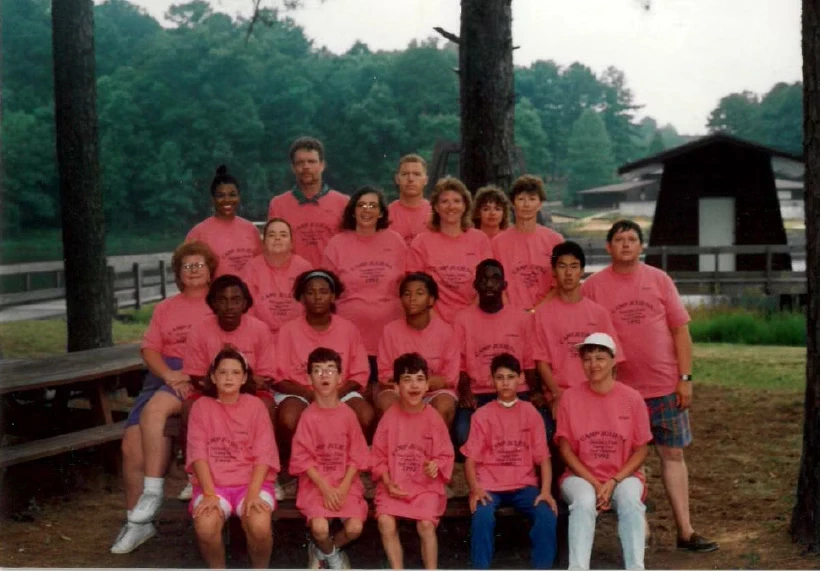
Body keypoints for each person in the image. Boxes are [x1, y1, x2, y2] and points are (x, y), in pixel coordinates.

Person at [581, 220, 718, 553]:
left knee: (672, 454)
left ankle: (685, 531)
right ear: (608, 247)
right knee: (628, 462)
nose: (626, 244)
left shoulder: (659, 280)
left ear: (641, 246)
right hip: (619, 392)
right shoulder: (594, 286)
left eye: (632, 239)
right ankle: (636, 530)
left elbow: (680, 332)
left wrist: (685, 379)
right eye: (619, 239)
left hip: (665, 387)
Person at [111, 241, 217, 555]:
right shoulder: (166, 308)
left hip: (202, 375)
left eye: (199, 265)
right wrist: (170, 376)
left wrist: (190, 376)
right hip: (164, 373)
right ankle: (137, 522)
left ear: (210, 270)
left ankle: (156, 491)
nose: (194, 270)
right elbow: (149, 349)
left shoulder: (219, 302)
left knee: (161, 414)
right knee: (131, 446)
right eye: (187, 266)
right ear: (178, 273)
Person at [554, 333, 652, 570]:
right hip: (580, 476)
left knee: (630, 499)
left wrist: (614, 480)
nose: (593, 365)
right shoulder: (570, 397)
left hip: (623, 475)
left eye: (600, 358)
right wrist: (595, 483)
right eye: (587, 359)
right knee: (584, 501)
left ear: (613, 361)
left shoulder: (632, 398)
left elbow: (641, 450)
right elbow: (566, 450)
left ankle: (635, 566)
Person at [462, 353, 558, 570]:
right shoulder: (482, 415)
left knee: (546, 513)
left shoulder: (531, 413)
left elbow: (543, 458)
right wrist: (476, 489)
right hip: (490, 486)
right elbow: (470, 460)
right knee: (482, 515)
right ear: (492, 380)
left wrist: (545, 491)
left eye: (511, 376)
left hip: (524, 485)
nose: (505, 382)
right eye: (500, 377)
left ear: (520, 379)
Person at [186, 347, 279, 569]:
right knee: (206, 526)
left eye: (236, 373)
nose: (229, 378)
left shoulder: (255, 406)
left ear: (245, 377)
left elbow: (264, 454)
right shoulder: (201, 407)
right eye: (223, 372)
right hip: (214, 485)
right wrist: (209, 494)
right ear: (213, 376)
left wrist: (253, 495)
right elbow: (198, 454)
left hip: (251, 484)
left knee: (259, 524)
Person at [274, 270, 374, 468]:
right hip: (300, 391)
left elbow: (360, 373)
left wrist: (334, 394)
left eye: (323, 291)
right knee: (289, 418)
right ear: (302, 298)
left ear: (333, 295)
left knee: (365, 415)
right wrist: (309, 393)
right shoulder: (288, 331)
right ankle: (297, 467)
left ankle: (348, 464)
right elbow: (278, 377)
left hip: (341, 390)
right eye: (311, 292)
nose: (317, 297)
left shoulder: (348, 329)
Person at [372, 353, 455, 570]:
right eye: (407, 380)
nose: (414, 385)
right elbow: (377, 457)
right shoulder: (389, 417)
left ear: (427, 385)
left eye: (419, 379)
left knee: (426, 525)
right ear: (397, 387)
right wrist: (388, 482)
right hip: (394, 484)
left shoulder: (434, 418)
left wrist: (436, 465)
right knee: (385, 522)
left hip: (425, 487)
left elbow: (445, 455)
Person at [290, 347, 370, 570]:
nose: (324, 375)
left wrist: (343, 487)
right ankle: (334, 557)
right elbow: (303, 459)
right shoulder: (307, 417)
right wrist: (325, 488)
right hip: (317, 484)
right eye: (318, 370)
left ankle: (321, 551)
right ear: (309, 379)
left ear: (340, 377)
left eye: (330, 370)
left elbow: (358, 456)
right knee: (320, 529)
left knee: (354, 528)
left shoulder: (348, 415)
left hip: (346, 483)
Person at [452, 259, 546, 449]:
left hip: (517, 392)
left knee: (545, 428)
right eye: (484, 279)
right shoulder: (462, 319)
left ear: (504, 285)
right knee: (463, 434)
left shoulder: (522, 318)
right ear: (475, 285)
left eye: (495, 279)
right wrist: (465, 393)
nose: (489, 284)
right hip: (480, 394)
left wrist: (535, 392)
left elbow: (528, 362)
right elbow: (459, 364)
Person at [322, 186, 407, 383]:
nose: (366, 210)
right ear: (352, 210)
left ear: (381, 212)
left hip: (389, 338)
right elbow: (327, 290)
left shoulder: (395, 242)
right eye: (361, 205)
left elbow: (407, 284)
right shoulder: (337, 244)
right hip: (348, 339)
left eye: (372, 205)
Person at [534, 241, 623, 412]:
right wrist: (556, 394)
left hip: (595, 395)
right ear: (553, 271)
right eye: (562, 266)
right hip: (559, 397)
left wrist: (605, 395)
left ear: (582, 271)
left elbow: (613, 359)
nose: (568, 273)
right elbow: (541, 362)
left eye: (574, 266)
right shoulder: (542, 314)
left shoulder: (598, 313)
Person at [376, 272, 459, 428]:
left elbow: (450, 377)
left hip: (434, 392)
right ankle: (397, 449)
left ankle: (432, 450)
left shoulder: (446, 332)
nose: (412, 298)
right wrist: (409, 387)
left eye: (419, 293)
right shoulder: (390, 331)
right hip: (399, 391)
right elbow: (384, 375)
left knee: (444, 405)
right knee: (386, 402)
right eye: (407, 294)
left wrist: (420, 385)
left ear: (431, 300)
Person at [408, 176, 492, 324]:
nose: (451, 206)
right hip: (433, 324)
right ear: (435, 207)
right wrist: (438, 325)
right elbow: (415, 290)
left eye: (457, 201)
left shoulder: (480, 240)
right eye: (444, 201)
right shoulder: (421, 243)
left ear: (465, 205)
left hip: (474, 321)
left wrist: (468, 319)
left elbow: (487, 284)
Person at [268, 136, 348, 267]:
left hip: (331, 281)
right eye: (300, 162)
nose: (306, 167)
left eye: (311, 161)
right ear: (293, 167)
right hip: (292, 281)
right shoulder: (278, 204)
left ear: (322, 165)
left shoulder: (343, 202)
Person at [491, 174, 563, 312]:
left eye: (532, 199)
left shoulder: (555, 241)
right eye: (521, 199)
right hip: (509, 315)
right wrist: (511, 312)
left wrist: (535, 311)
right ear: (512, 203)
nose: (526, 204)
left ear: (540, 203)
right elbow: (495, 284)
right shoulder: (497, 243)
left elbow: (558, 284)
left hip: (547, 314)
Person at [186, 165, 262, 277]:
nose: (227, 200)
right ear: (212, 199)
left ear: (239, 197)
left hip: (250, 294)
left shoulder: (251, 230)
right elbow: (186, 274)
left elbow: (261, 268)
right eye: (220, 196)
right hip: (216, 294)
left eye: (232, 195)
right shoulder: (198, 234)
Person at [242, 218, 312, 336]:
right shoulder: (251, 267)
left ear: (292, 243)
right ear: (263, 242)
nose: (277, 238)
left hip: (298, 333)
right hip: (261, 333)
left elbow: (309, 306)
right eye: (272, 234)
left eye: (283, 235)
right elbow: (247, 307)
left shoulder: (304, 267)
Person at [387, 154, 432, 246]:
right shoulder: (385, 214)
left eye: (417, 174)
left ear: (426, 180)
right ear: (397, 179)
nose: (411, 179)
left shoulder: (437, 213)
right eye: (405, 174)